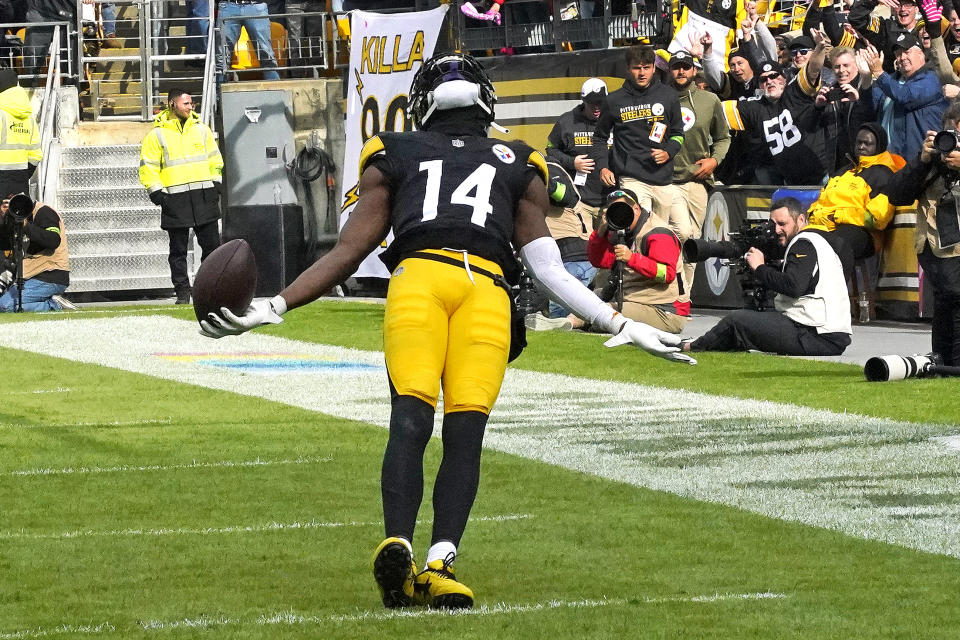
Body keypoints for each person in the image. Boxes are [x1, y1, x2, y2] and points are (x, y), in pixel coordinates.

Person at [198, 52, 694, 611]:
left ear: (421, 105)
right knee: (464, 431)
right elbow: (548, 270)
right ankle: (438, 561)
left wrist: (276, 304)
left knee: (411, 419)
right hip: (485, 290)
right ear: (486, 101)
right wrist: (619, 320)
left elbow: (349, 250)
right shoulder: (520, 160)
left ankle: (403, 549)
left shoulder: (394, 150)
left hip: (419, 282)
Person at [684, 197, 853, 355]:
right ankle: (708, 343)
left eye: (782, 224)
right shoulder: (818, 241)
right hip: (824, 333)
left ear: (801, 220)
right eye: (773, 224)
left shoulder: (804, 243)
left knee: (736, 320)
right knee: (746, 324)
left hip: (816, 335)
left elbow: (794, 286)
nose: (777, 230)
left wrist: (759, 267)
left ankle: (691, 346)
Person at [886, 102, 960, 365]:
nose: (954, 141)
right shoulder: (934, 160)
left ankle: (950, 363)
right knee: (946, 298)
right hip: (936, 244)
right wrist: (922, 159)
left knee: (953, 297)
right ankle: (945, 363)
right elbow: (896, 194)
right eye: (950, 133)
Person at [138, 89, 223, 304]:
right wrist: (157, 194)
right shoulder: (156, 135)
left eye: (191, 103)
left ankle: (208, 289)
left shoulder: (202, 130)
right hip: (175, 200)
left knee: (213, 249)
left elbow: (216, 159)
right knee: (177, 252)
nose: (190, 107)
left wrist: (216, 185)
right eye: (186, 103)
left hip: (204, 196)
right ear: (172, 104)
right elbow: (148, 166)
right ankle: (183, 292)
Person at [538, 77, 608, 320]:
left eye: (600, 102)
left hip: (610, 200)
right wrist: (572, 162)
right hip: (581, 202)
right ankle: (577, 310)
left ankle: (600, 304)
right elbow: (550, 150)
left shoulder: (614, 120)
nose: (597, 107)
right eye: (592, 103)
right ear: (583, 101)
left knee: (609, 256)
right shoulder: (567, 121)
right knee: (587, 256)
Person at [668, 50, 730, 307]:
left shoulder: (709, 100)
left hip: (698, 182)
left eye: (685, 67)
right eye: (676, 67)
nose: (681, 71)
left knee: (691, 242)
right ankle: (668, 295)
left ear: (694, 70)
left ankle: (683, 300)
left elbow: (724, 137)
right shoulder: (660, 99)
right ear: (669, 71)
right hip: (668, 181)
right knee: (680, 233)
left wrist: (715, 160)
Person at [580, 188, 688, 333]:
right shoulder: (620, 231)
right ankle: (568, 322)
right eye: (614, 209)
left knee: (603, 313)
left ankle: (570, 323)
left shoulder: (658, 233)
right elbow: (599, 261)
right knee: (583, 301)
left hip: (664, 310)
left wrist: (631, 258)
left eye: (623, 208)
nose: (619, 213)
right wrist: (601, 231)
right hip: (632, 299)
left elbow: (667, 274)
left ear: (636, 208)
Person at [594, 45, 684, 218]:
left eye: (646, 68)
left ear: (654, 68)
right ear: (628, 69)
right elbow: (599, 138)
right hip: (631, 178)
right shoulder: (613, 100)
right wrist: (603, 167)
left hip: (663, 177)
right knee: (642, 227)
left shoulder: (669, 95)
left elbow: (678, 134)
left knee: (679, 231)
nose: (642, 73)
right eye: (636, 68)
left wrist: (668, 152)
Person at [722, 43, 829, 186]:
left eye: (773, 76)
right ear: (759, 85)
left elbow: (813, 70)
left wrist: (820, 47)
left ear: (784, 78)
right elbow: (715, 111)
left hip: (821, 176)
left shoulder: (795, 93)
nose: (769, 81)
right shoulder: (754, 107)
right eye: (763, 79)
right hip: (791, 183)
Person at [806, 122, 904, 262]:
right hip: (825, 226)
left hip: (864, 233)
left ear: (879, 146)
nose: (861, 146)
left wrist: (839, 215)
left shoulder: (884, 174)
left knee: (832, 246)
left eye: (867, 143)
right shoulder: (843, 171)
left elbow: (876, 219)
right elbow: (821, 202)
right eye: (858, 142)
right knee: (798, 243)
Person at [867, 31, 948, 163]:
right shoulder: (892, 80)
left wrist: (878, 72)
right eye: (898, 54)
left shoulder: (931, 78)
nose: (902, 57)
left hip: (922, 161)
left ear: (921, 53)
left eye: (907, 51)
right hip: (889, 161)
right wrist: (865, 78)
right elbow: (871, 106)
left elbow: (905, 96)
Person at [0, 193, 73, 312]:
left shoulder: (44, 212)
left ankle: (54, 304)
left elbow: (53, 240)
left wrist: (26, 226)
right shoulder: (15, 216)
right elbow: (4, 245)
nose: (16, 205)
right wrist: (5, 219)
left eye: (18, 200)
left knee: (5, 306)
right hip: (29, 276)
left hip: (50, 275)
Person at [216, 0, 280, 84]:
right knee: (222, 55)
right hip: (228, 6)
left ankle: (275, 89)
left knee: (265, 52)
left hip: (256, 5)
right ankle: (218, 92)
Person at [0, 69, 41, 199]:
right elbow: (36, 154)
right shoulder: (29, 118)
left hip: (2, 179)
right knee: (19, 215)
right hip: (21, 178)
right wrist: (24, 173)